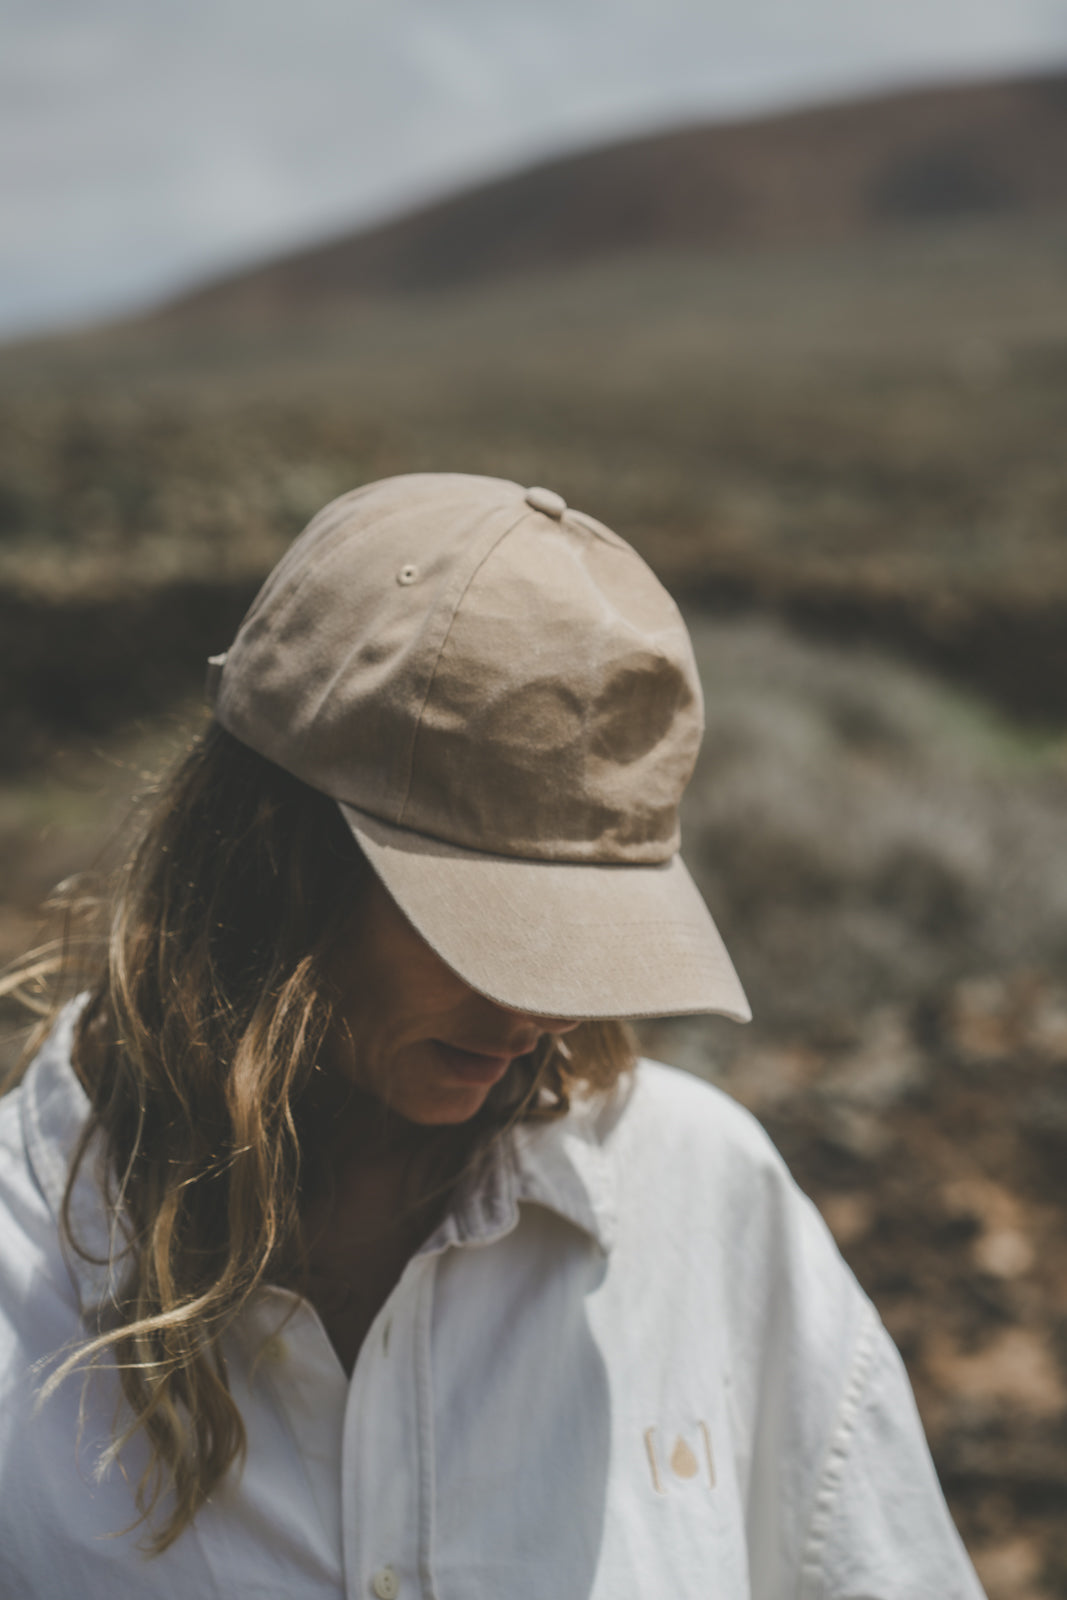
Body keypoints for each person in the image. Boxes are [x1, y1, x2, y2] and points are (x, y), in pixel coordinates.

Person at [0, 473, 984, 1598]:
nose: (548, 1011)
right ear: (273, 856)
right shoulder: (22, 1265)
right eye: (488, 929)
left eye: (584, 937)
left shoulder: (702, 1204)